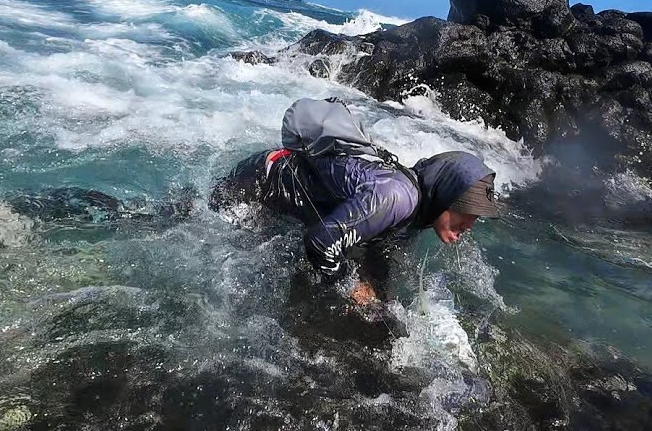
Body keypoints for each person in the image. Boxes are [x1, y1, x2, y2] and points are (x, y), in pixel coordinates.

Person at [210, 99, 502, 305]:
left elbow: (377, 253)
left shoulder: (420, 211)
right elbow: (320, 243)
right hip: (258, 182)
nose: (471, 223)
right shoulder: (396, 198)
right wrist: (348, 286)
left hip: (283, 190)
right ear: (446, 196)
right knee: (215, 242)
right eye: (468, 211)